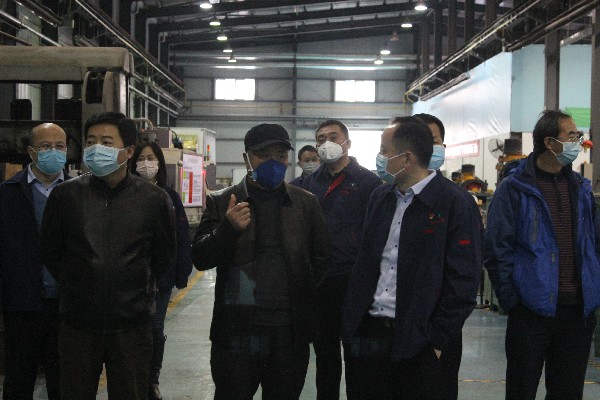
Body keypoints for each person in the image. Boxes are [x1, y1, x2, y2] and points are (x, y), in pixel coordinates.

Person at [341, 116, 482, 400]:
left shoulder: (454, 202)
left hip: (420, 341)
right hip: (369, 334)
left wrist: (437, 339)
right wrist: (352, 324)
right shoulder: (380, 198)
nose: (380, 158)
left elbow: (464, 279)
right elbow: (365, 264)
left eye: (384, 151)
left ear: (406, 158)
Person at [40, 112, 177, 400]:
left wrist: (135, 290)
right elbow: (51, 252)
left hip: (131, 325)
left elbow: (164, 256)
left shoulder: (153, 200)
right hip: (78, 324)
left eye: (106, 142)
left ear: (128, 151)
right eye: (91, 142)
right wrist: (78, 285)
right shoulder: (66, 196)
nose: (96, 148)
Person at [191, 123, 330, 400]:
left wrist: (296, 295)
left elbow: (322, 259)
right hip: (237, 331)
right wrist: (227, 229)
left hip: (288, 333)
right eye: (265, 156)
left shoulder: (306, 203)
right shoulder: (223, 202)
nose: (274, 163)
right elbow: (201, 258)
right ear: (247, 158)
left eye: (280, 156)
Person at [484, 109, 600, 400]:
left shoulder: (581, 189)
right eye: (571, 136)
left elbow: (593, 243)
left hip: (577, 312)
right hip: (530, 312)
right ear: (550, 143)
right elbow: (497, 249)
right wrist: (513, 301)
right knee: (521, 391)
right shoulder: (514, 189)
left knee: (567, 393)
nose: (577, 142)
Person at [300, 119, 380, 400]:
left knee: (358, 358)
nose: (326, 143)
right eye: (321, 139)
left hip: (355, 284)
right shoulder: (309, 184)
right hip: (321, 283)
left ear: (348, 143)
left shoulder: (369, 183)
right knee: (325, 358)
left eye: (333, 137)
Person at [0, 123, 70, 400]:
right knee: (19, 379)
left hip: (66, 306)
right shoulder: (8, 193)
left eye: (60, 146)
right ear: (31, 152)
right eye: (45, 146)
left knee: (64, 382)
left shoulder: (78, 192)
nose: (53, 151)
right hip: (22, 305)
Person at [130, 142, 193, 400]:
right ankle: (134, 377)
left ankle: (151, 380)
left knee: (155, 328)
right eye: (141, 158)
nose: (146, 163)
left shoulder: (169, 196)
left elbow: (181, 235)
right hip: (131, 277)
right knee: (134, 331)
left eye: (151, 158)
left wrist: (182, 271)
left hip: (161, 278)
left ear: (159, 163)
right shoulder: (127, 194)